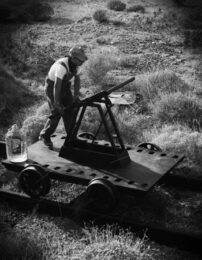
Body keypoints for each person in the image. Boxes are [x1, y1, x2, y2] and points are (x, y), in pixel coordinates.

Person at [39, 46, 88, 148]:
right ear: (73, 58)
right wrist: (57, 102)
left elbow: (77, 80)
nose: (82, 63)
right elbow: (57, 85)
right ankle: (45, 135)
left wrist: (75, 96)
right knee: (57, 112)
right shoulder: (61, 66)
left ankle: (71, 137)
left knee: (71, 109)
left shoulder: (76, 66)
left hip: (65, 87)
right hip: (52, 87)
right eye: (80, 60)